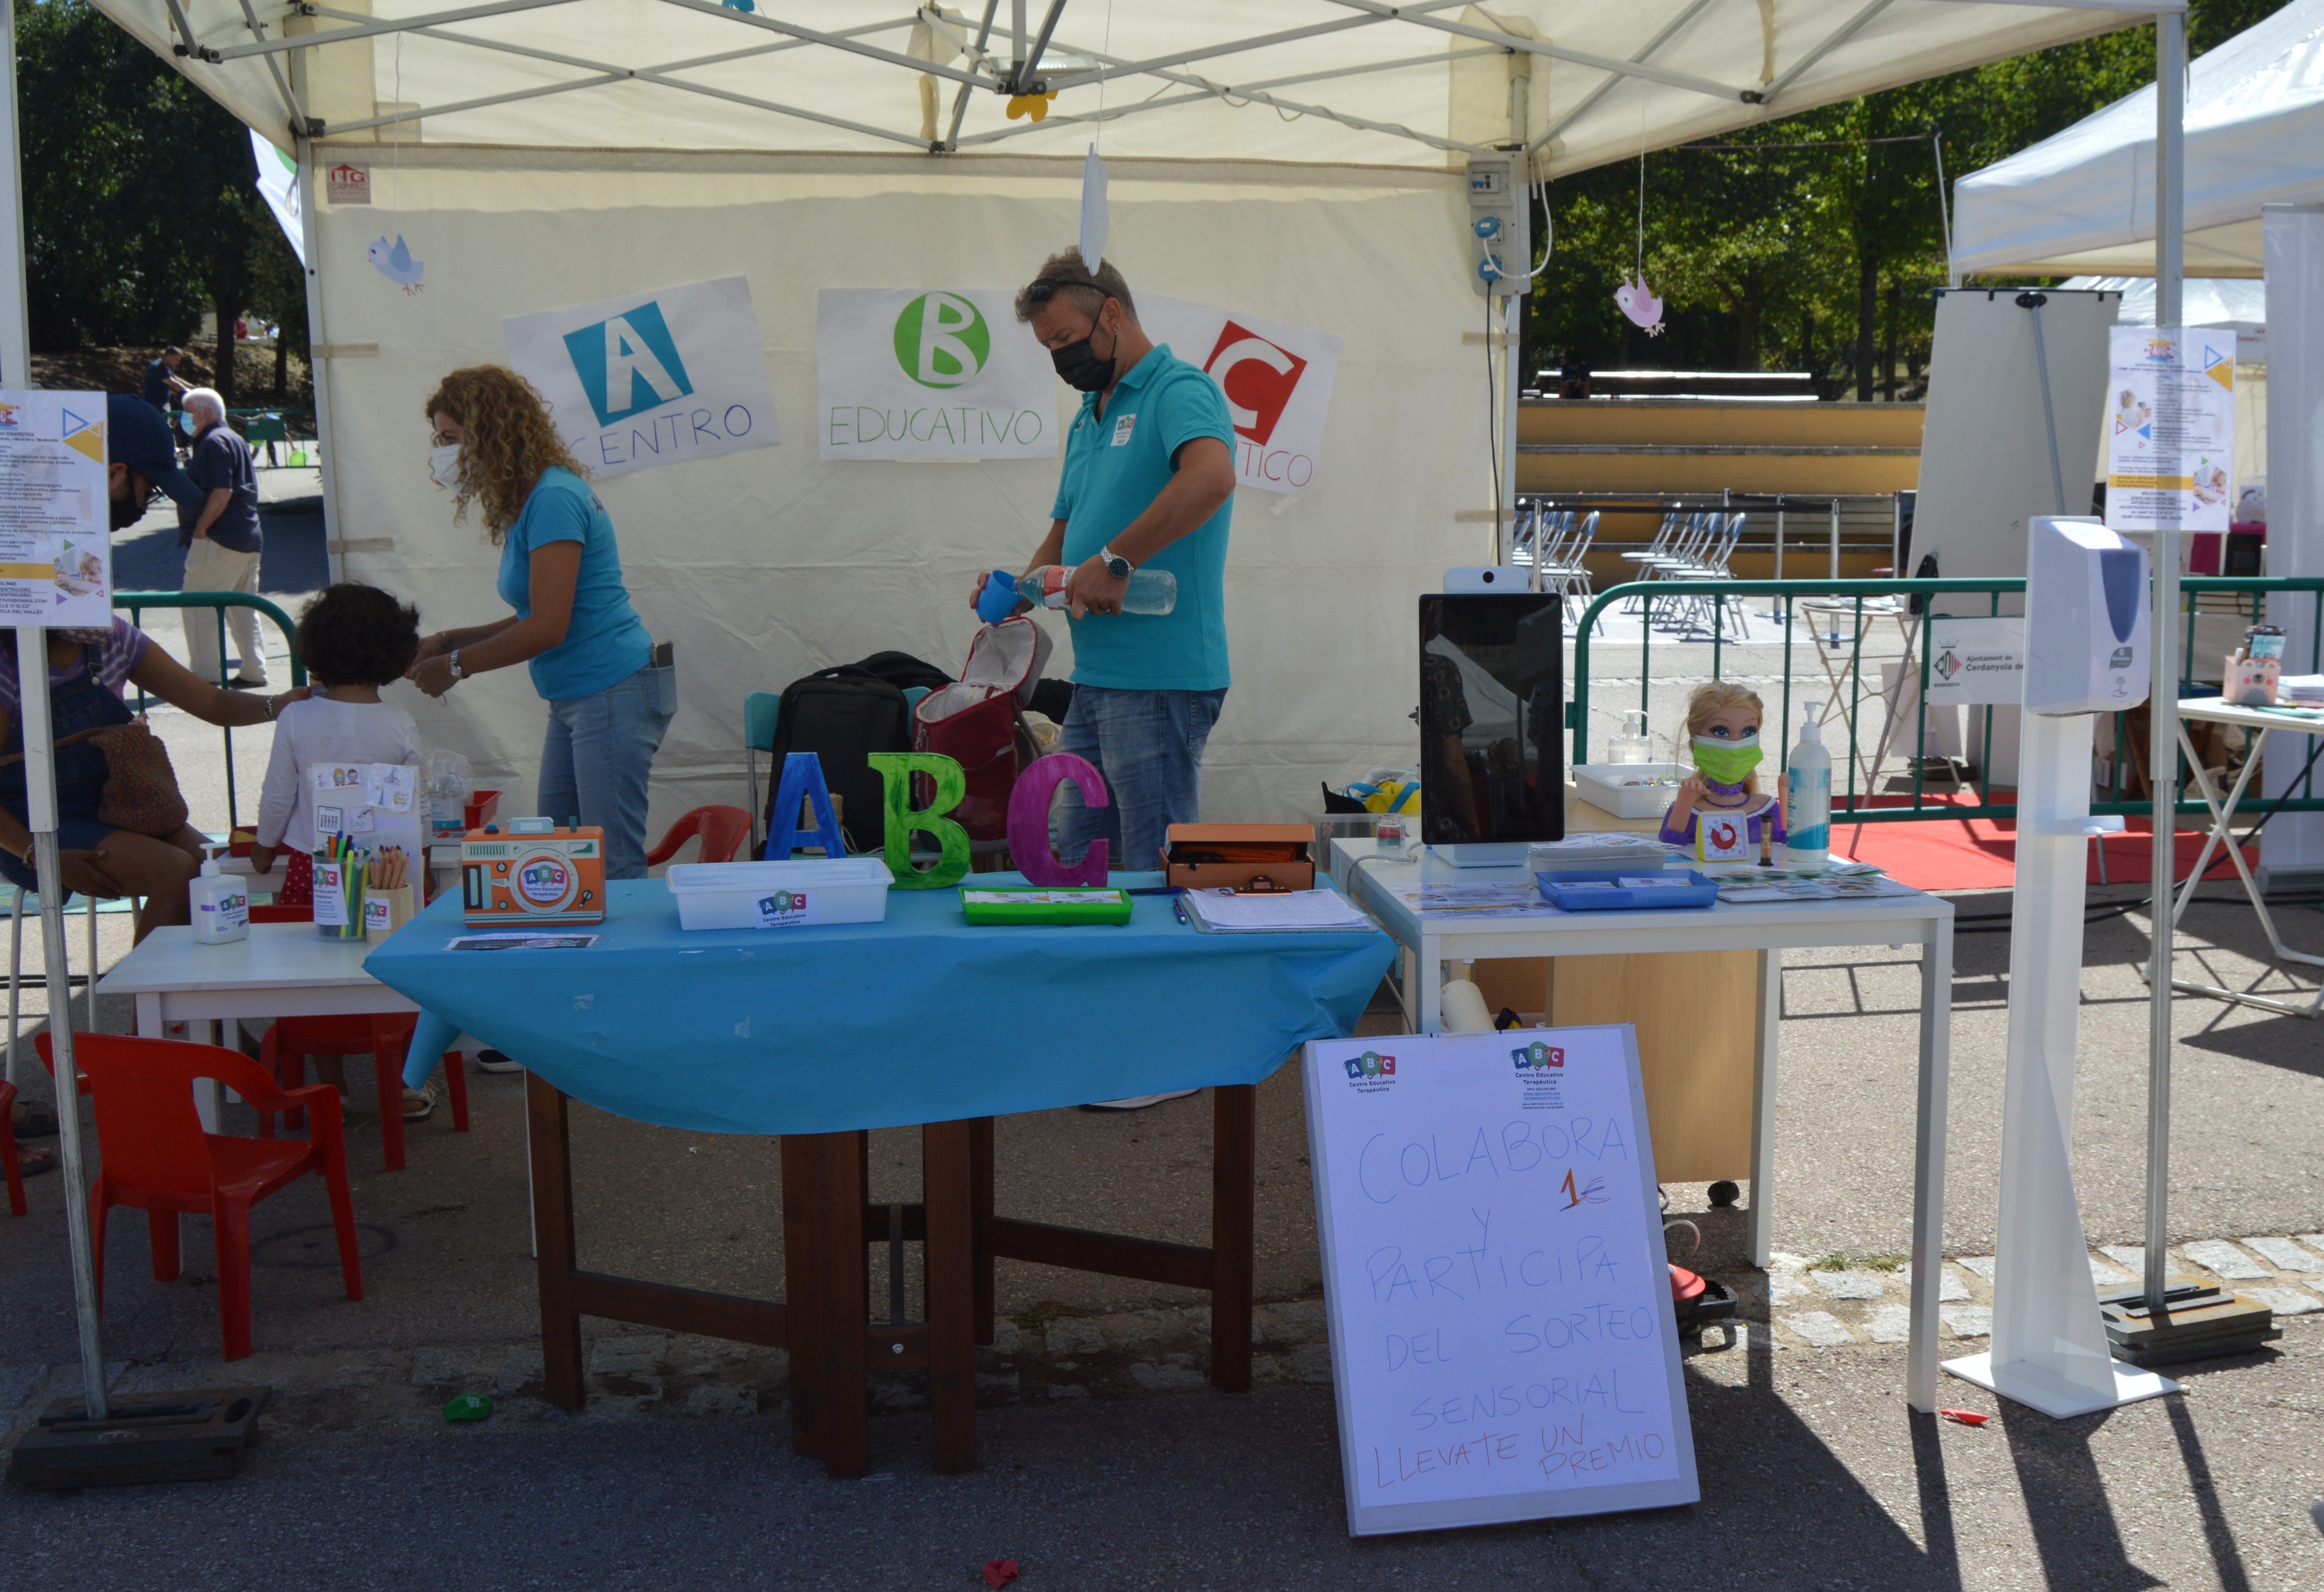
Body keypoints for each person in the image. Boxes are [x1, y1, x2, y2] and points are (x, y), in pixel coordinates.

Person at [977, 249, 1237, 1110]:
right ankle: (1112, 1033)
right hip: (1103, 677)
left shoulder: (1178, 391)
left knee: (1149, 862)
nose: (1062, 359)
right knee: (1073, 853)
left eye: (1068, 340)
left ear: (1113, 316)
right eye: (1049, 347)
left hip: (1162, 676)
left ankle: (1168, 1054)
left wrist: (1120, 559)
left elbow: (1211, 478)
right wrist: (1016, 589)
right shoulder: (1092, 414)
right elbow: (1065, 531)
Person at [408, 366, 674, 879]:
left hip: (611, 689)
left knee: (609, 864)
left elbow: (547, 628)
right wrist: (448, 640)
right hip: (581, 695)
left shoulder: (553, 498)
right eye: (440, 439)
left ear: (491, 434)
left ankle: (625, 961)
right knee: (559, 852)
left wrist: (456, 666)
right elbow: (536, 614)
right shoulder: (531, 499)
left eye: (451, 439)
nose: (443, 452)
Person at [252, 584, 435, 1120]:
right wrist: (419, 858)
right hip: (390, 871)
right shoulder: (399, 722)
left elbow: (277, 793)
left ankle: (332, 1087)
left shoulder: (297, 718)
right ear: (395, 652)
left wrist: (264, 850)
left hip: (316, 868)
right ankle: (406, 1082)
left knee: (314, 976)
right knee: (396, 972)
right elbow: (416, 802)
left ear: (315, 648)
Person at [177, 387, 269, 688]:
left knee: (198, 607)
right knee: (243, 607)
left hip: (219, 538)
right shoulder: (233, 439)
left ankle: (205, 677)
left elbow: (222, 492)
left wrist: (201, 529)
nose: (183, 418)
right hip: (246, 536)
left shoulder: (213, 443)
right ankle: (254, 670)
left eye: (188, 411)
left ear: (204, 414)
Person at [1659, 682, 1788, 863]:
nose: (1735, 743)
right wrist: (1686, 798)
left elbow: (1788, 843)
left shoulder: (1765, 808)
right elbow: (1671, 845)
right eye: (1721, 732)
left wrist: (1786, 790)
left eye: (1748, 732)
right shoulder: (1692, 810)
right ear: (1696, 740)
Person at [142, 346, 189, 414]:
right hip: (155, 406)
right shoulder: (158, 368)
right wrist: (189, 392)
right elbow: (175, 385)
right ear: (168, 357)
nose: (178, 363)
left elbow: (175, 378)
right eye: (176, 360)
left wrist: (194, 387)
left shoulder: (166, 367)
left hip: (163, 404)